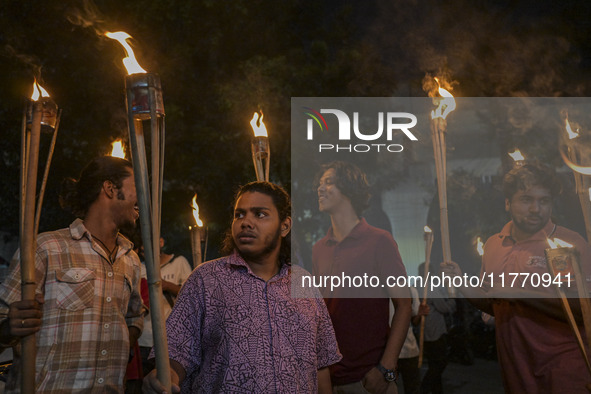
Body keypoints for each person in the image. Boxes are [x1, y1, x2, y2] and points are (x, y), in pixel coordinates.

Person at [143, 181, 341, 393]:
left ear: (285, 226)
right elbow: (175, 354)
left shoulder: (304, 285)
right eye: (239, 215)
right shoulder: (206, 280)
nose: (246, 222)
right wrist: (165, 377)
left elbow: (320, 366)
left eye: (260, 214)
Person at [441, 162, 591, 393]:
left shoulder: (567, 244)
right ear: (508, 203)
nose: (535, 208)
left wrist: (520, 294)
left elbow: (583, 311)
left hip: (564, 370)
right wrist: (461, 284)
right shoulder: (494, 244)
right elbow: (496, 305)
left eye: (544, 201)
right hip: (516, 371)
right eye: (526, 199)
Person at [0, 156, 146, 392]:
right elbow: (3, 319)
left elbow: (133, 318)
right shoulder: (46, 248)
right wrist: (9, 327)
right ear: (110, 188)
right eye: (137, 187)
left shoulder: (131, 260)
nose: (144, 199)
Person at [313, 161, 411, 394]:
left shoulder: (379, 241)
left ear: (348, 189)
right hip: (328, 379)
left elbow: (405, 306)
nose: (320, 188)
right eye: (319, 183)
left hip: (368, 381)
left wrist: (386, 370)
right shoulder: (319, 248)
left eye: (329, 182)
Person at [138, 237, 192, 376]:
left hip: (170, 337)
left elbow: (191, 295)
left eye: (149, 248)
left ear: (161, 242)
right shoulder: (140, 268)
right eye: (143, 251)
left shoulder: (178, 262)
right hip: (145, 338)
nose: (146, 253)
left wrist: (166, 285)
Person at [414, 263, 455, 394]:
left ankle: (437, 391)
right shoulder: (430, 286)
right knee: (440, 363)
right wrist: (452, 300)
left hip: (424, 331)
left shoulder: (417, 286)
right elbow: (443, 307)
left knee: (434, 363)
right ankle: (424, 388)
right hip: (434, 331)